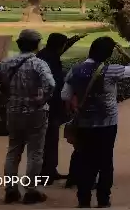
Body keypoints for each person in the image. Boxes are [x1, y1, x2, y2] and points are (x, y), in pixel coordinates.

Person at [62, 37, 130, 208]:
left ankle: (83, 199)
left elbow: (65, 96)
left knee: (84, 161)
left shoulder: (75, 70)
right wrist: (124, 53)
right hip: (107, 123)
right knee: (105, 161)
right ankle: (103, 199)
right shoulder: (110, 70)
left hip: (84, 123)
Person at [0, 29, 55, 204]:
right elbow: (51, 84)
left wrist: (1, 96)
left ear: (19, 43)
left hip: (13, 109)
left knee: (13, 150)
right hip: (35, 112)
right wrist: (42, 99)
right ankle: (31, 190)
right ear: (37, 44)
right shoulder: (39, 64)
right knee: (35, 152)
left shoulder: (6, 63)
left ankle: (11, 190)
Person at [38, 33, 85, 184]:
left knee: (51, 139)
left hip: (48, 104)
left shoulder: (45, 54)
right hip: (50, 105)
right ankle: (46, 173)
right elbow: (56, 82)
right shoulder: (49, 59)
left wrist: (71, 41)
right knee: (48, 139)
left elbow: (57, 49)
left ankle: (50, 169)